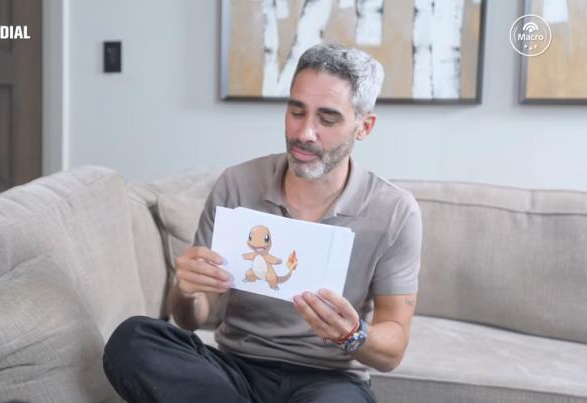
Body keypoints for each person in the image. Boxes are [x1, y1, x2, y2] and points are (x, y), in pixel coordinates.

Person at [103, 44, 422, 403]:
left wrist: (353, 333)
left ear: (364, 127)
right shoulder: (237, 184)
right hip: (233, 371)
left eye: (327, 119)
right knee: (133, 339)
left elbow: (392, 350)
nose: (305, 133)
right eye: (296, 111)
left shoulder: (394, 211)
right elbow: (193, 318)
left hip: (330, 381)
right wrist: (187, 291)